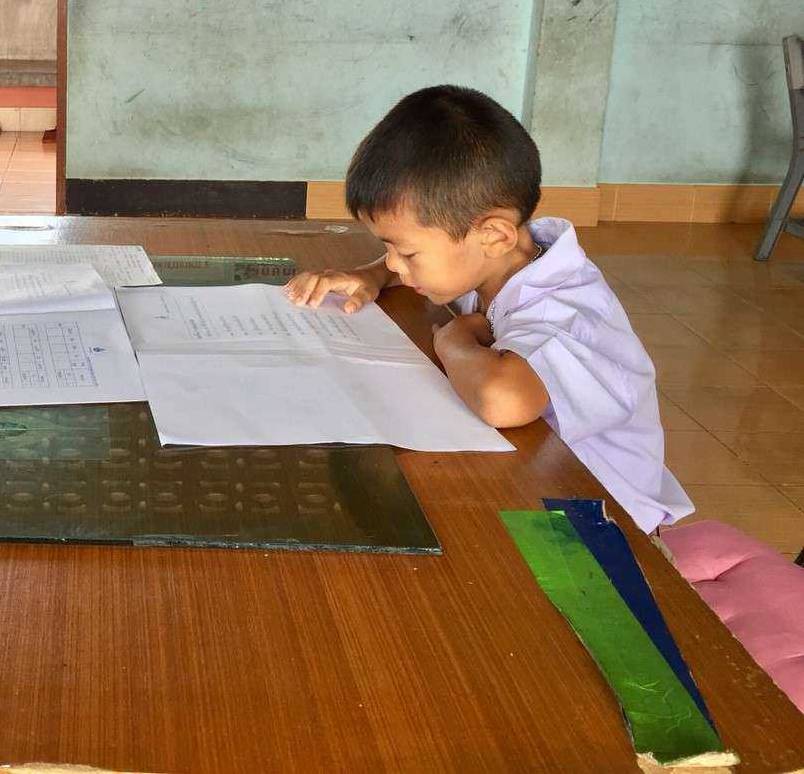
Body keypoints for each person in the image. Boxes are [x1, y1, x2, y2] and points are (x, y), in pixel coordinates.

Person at [284, 85, 692, 534]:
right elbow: (421, 261)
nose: (396, 264)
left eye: (408, 253)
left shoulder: (568, 313)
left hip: (607, 526)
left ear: (494, 236)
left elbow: (503, 399)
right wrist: (374, 275)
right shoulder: (495, 258)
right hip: (536, 479)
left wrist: (454, 342)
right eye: (389, 249)